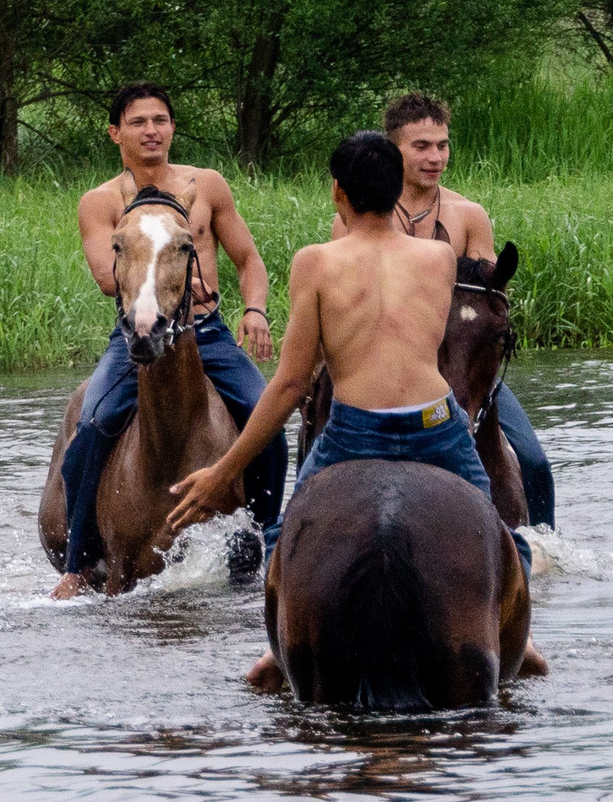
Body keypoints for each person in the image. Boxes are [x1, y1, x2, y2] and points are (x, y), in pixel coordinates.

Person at [163, 132, 531, 686]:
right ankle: (521, 645)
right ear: (395, 190)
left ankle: (277, 652)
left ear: (337, 192)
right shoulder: (438, 258)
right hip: (436, 425)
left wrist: (224, 470)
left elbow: (290, 385)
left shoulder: (315, 262)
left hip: (355, 432)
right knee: (504, 534)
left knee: (285, 540)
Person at [50, 85, 283, 599]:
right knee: (92, 424)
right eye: (138, 122)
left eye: (160, 120)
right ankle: (78, 562)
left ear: (173, 128)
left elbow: (249, 260)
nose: (151, 130)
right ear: (116, 133)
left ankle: (270, 539)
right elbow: (107, 278)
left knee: (266, 416)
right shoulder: (101, 201)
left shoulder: (209, 186)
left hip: (207, 334)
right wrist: (165, 276)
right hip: (137, 330)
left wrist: (256, 310)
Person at [382, 93, 556, 529]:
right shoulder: (366, 213)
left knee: (534, 461)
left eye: (442, 145)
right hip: (390, 362)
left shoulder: (469, 215)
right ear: (393, 149)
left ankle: (547, 547)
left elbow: (484, 300)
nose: (435, 157)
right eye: (421, 146)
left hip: (463, 360)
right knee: (319, 448)